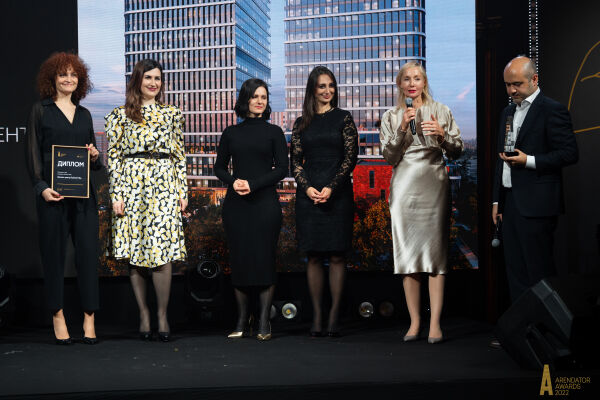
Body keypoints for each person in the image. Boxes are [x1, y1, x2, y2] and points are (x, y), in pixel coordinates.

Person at [380, 61, 463, 344]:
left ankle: (435, 324)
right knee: (408, 256)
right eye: (406, 79)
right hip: (404, 186)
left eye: (417, 78)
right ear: (400, 84)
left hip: (434, 184)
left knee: (435, 256)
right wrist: (402, 128)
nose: (412, 83)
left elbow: (457, 151)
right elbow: (389, 157)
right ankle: (415, 322)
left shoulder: (442, 110)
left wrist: (442, 135)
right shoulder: (391, 115)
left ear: (424, 82)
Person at [106, 59, 187, 342]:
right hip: (131, 186)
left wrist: (182, 192)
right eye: (148, 77)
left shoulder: (173, 114)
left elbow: (179, 155)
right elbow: (114, 158)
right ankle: (143, 314)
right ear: (137, 80)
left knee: (162, 252)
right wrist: (116, 195)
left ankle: (162, 315)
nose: (154, 83)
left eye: (158, 78)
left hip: (164, 186)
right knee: (136, 253)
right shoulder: (119, 115)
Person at [26, 52, 101, 345]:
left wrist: (95, 156)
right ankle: (57, 314)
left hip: (83, 198)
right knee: (54, 257)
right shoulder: (40, 110)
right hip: (52, 197)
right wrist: (42, 187)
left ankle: (89, 317)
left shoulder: (84, 114)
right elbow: (32, 153)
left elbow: (93, 159)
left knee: (88, 256)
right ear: (52, 79)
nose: (69, 79)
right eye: (62, 74)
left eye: (73, 75)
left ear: (80, 80)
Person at [492, 56, 578, 303]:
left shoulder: (552, 109)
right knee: (516, 275)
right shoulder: (507, 112)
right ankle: (524, 326)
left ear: (534, 79)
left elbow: (569, 153)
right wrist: (497, 201)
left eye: (517, 84)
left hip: (538, 206)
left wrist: (528, 160)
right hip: (510, 205)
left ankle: (547, 327)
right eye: (508, 85)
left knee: (540, 277)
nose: (512, 90)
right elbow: (501, 159)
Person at [215, 78, 288, 341]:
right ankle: (241, 320)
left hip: (265, 205)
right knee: (240, 262)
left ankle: (264, 322)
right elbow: (219, 168)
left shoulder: (275, 132)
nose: (259, 101)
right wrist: (234, 181)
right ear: (245, 99)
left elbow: (283, 169)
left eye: (263, 97)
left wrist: (253, 184)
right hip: (236, 206)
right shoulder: (231, 133)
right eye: (255, 96)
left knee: (265, 261)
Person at [291, 66, 358, 337]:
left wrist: (331, 187)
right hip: (308, 197)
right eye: (322, 86)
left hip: (338, 194)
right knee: (314, 257)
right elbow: (295, 163)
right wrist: (308, 189)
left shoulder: (344, 118)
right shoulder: (300, 123)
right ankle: (317, 316)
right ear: (312, 89)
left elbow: (350, 158)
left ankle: (333, 317)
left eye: (331, 85)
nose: (328, 90)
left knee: (338, 255)